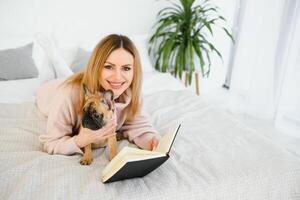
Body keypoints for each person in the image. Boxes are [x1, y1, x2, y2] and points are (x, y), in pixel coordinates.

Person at [36, 34, 160, 156]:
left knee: (70, 77)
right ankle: (53, 57)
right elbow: (51, 143)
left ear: (134, 71)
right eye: (108, 67)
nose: (117, 77)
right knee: (52, 79)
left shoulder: (129, 93)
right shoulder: (66, 96)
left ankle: (58, 61)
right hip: (49, 91)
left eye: (126, 68)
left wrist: (152, 142)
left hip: (82, 84)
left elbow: (138, 125)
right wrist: (80, 140)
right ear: (96, 67)